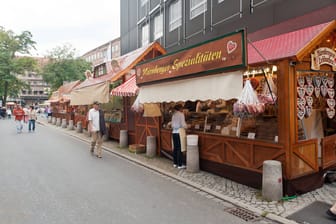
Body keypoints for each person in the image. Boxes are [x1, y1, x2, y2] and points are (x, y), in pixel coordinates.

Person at [171, 104, 188, 169]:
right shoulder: (181, 114)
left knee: (175, 148)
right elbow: (183, 124)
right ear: (180, 108)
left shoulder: (173, 115)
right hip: (179, 133)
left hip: (174, 132)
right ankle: (180, 164)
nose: (182, 110)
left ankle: (175, 163)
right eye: (182, 108)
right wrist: (187, 126)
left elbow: (172, 125)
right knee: (180, 149)